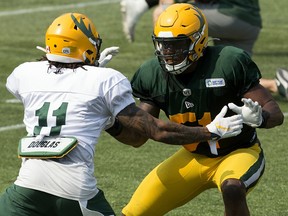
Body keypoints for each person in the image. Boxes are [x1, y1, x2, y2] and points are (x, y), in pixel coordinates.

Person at [0, 12, 244, 216]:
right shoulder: (104, 79)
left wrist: (91, 94)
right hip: (75, 189)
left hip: (26, 187)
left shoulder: (24, 73)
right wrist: (210, 131)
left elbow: (59, 84)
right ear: (87, 47)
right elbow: (155, 131)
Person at [121, 4, 284, 216]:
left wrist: (260, 118)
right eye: (164, 45)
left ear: (198, 41)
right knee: (132, 213)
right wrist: (110, 115)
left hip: (238, 151)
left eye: (177, 44)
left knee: (232, 188)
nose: (168, 52)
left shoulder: (227, 62)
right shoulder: (153, 74)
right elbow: (139, 137)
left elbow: (276, 114)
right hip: (193, 157)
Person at [120, 0, 288, 101]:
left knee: (165, 14)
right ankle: (276, 84)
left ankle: (166, 82)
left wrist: (156, 4)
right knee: (236, 79)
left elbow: (174, 7)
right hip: (250, 23)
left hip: (229, 16)